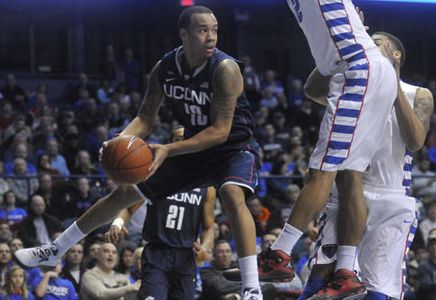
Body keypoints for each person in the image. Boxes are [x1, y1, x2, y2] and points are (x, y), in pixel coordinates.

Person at [15, 5, 262, 299]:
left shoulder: (225, 68)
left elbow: (221, 132)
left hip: (233, 148)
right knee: (123, 193)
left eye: (215, 30)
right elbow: (145, 118)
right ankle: (55, 250)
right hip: (194, 150)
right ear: (183, 34)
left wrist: (168, 149)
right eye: (203, 30)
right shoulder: (165, 68)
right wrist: (118, 141)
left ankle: (251, 288)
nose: (211, 37)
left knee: (233, 194)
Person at [225, 2, 398, 298]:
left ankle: (279, 254)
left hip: (358, 70)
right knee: (349, 176)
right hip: (371, 72)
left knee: (321, 171)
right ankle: (345, 270)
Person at [295, 31, 434, 299]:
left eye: (377, 43)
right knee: (320, 276)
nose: (369, 46)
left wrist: (391, 87)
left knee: (377, 288)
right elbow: (312, 91)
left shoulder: (419, 93)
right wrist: (340, 44)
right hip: (346, 194)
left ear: (396, 55)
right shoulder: (352, 88)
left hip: (390, 197)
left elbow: (416, 140)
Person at [105, 125, 217, 299]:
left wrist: (206, 247)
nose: (183, 141)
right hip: (157, 252)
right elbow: (129, 206)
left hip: (185, 256)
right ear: (171, 144)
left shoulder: (206, 185)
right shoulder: (156, 174)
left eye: (187, 138)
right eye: (178, 138)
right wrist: (118, 223)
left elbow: (209, 227)